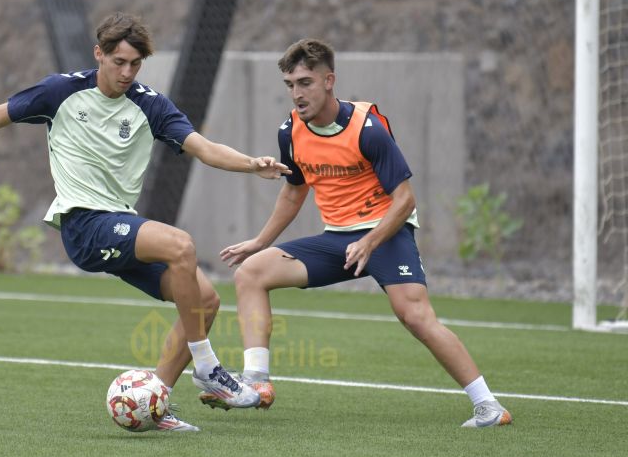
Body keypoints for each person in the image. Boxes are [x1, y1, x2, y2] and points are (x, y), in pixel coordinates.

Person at [0, 12, 292, 432]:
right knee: (180, 245)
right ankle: (206, 365)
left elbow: (202, 147)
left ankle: (156, 402)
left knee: (205, 301)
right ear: (99, 54)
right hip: (85, 224)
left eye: (135, 64)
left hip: (120, 224)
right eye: (119, 62)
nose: (127, 72)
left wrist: (250, 164)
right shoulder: (61, 91)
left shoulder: (150, 105)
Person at [208, 39, 512, 428]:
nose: (297, 93)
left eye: (305, 82)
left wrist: (370, 242)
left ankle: (489, 407)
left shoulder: (367, 129)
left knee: (416, 317)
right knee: (251, 272)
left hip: (386, 234)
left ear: (329, 81)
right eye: (290, 84)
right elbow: (294, 191)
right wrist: (259, 242)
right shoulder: (291, 131)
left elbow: (405, 199)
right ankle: (256, 382)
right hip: (338, 239)